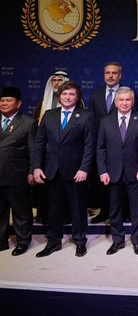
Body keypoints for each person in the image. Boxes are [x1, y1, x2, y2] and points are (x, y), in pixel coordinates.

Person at [33, 81, 95, 258]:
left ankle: (80, 241)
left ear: (77, 97)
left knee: (77, 208)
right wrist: (37, 167)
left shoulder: (86, 116)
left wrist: (84, 168)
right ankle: (53, 243)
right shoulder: (49, 115)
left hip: (76, 172)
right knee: (53, 209)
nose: (68, 97)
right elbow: (39, 143)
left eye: (72, 94)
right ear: (59, 97)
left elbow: (90, 146)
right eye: (64, 94)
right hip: (51, 170)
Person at [96, 87, 138, 256]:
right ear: (115, 102)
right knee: (115, 210)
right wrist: (102, 171)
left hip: (135, 173)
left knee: (137, 209)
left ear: (133, 101)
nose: (125, 103)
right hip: (112, 173)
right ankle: (117, 241)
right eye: (121, 100)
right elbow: (100, 148)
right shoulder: (105, 121)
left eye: (128, 100)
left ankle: (136, 241)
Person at [88, 62, 130, 224]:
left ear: (120, 75)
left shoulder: (127, 94)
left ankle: (124, 212)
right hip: (101, 145)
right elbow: (91, 122)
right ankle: (104, 211)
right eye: (107, 73)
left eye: (114, 73)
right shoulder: (95, 95)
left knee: (123, 180)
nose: (111, 76)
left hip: (121, 145)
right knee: (103, 180)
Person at [0, 87, 35, 256]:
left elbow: (33, 150)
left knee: (21, 211)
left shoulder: (28, 122)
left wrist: (31, 171)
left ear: (19, 103)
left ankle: (22, 241)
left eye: (8, 100)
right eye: (2, 100)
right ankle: (1, 241)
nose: (4, 103)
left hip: (17, 174)